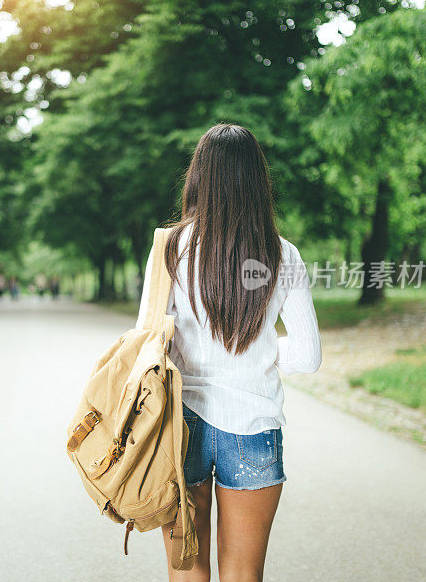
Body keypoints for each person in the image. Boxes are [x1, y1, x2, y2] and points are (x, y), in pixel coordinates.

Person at [135, 124, 321, 582]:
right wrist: (258, 350)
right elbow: (308, 355)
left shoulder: (172, 247)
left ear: (199, 177)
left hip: (180, 425)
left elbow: (147, 341)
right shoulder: (282, 255)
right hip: (254, 428)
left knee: (187, 573)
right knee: (243, 574)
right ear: (257, 181)